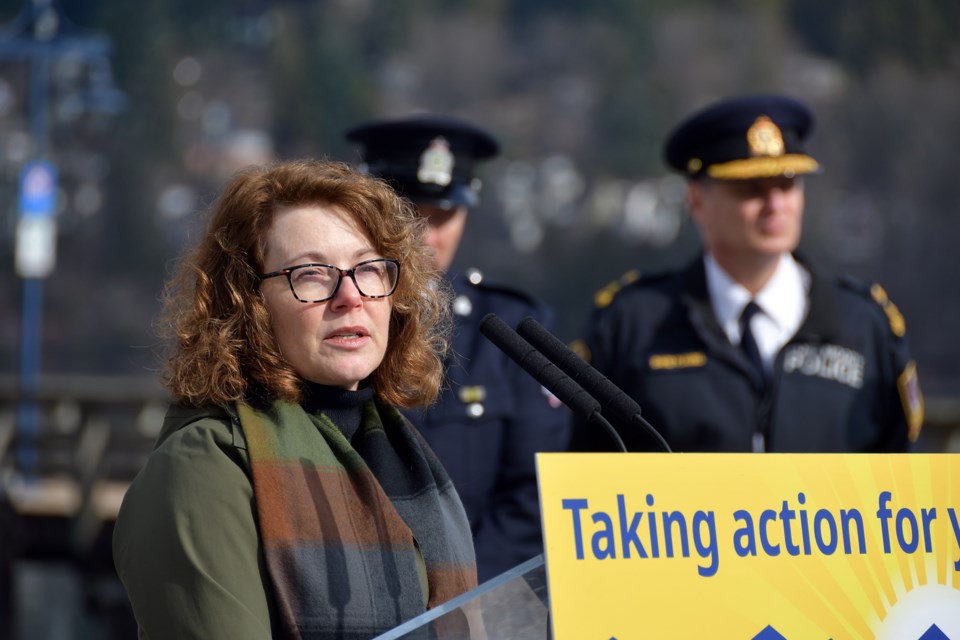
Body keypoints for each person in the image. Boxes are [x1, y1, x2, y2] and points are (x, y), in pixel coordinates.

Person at [112, 159, 477, 639]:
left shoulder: (404, 452)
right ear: (248, 304)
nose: (350, 296)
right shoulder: (204, 464)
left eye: (368, 269)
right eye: (311, 274)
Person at [572, 94, 924, 453]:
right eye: (751, 189)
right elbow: (582, 465)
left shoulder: (864, 325)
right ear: (697, 200)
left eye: (787, 184)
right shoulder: (633, 324)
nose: (775, 206)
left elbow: (906, 474)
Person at [344, 114, 569, 581]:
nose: (426, 235)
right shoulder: (333, 321)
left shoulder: (511, 333)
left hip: (481, 604)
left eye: (443, 215)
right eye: (409, 212)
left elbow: (535, 496)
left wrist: (456, 597)